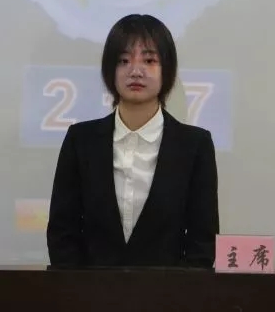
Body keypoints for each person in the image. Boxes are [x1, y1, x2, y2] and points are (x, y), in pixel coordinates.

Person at [46, 14, 219, 268]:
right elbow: (62, 234)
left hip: (168, 291)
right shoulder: (80, 141)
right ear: (110, 70)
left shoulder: (195, 145)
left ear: (167, 69)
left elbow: (202, 243)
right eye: (124, 60)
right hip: (90, 291)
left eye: (149, 60)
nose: (136, 71)